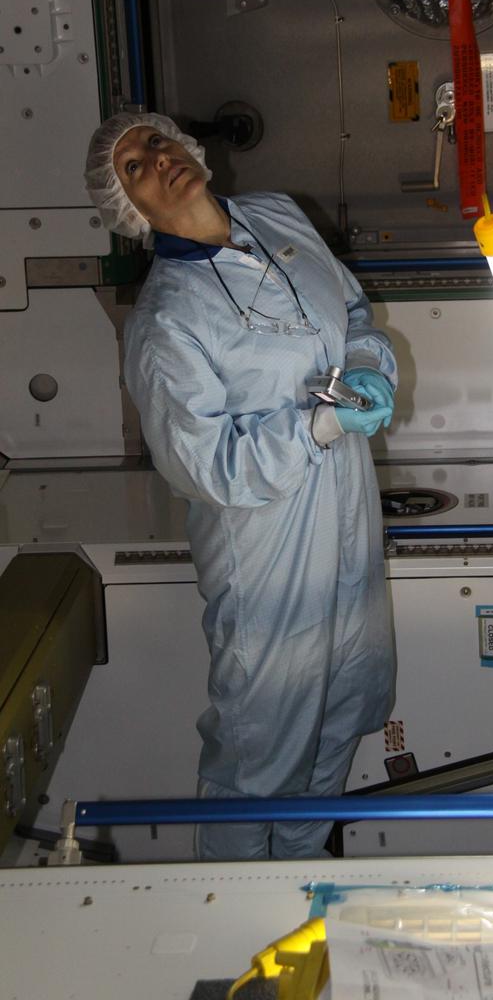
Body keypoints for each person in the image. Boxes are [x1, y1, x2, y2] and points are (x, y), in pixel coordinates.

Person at [84, 112, 397, 861]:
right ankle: (228, 920)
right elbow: (205, 467)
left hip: (344, 519)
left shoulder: (276, 216)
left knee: (333, 725)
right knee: (260, 755)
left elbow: (349, 307)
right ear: (129, 211)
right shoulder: (165, 320)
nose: (158, 162)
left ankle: (296, 897)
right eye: (134, 168)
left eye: (156, 142)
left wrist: (364, 363)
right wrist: (318, 426)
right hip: (267, 549)